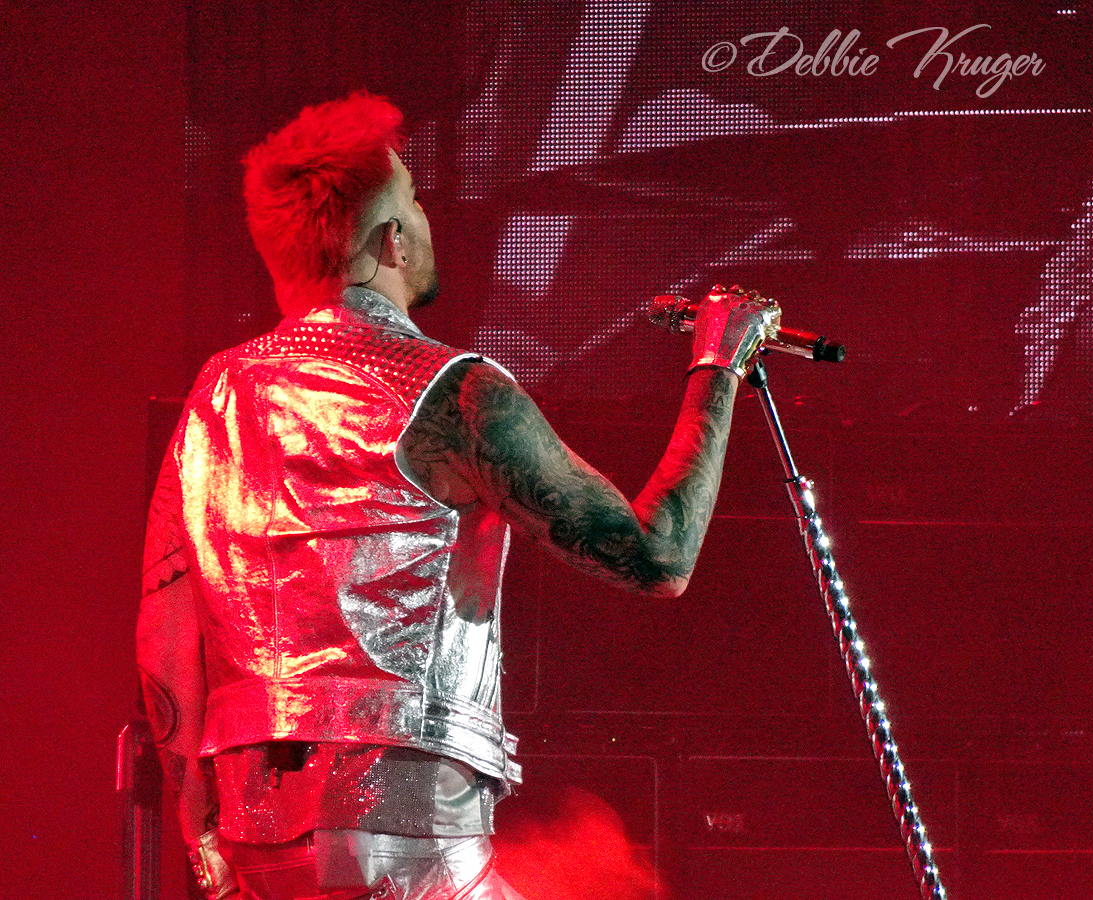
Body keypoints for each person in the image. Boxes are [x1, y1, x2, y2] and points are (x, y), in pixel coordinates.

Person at [136, 92, 779, 900]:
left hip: (255, 835)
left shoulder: (215, 396)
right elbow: (659, 557)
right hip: (409, 834)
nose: (426, 219)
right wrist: (719, 365)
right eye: (414, 200)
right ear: (391, 240)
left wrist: (197, 816)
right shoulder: (454, 394)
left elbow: (164, 631)